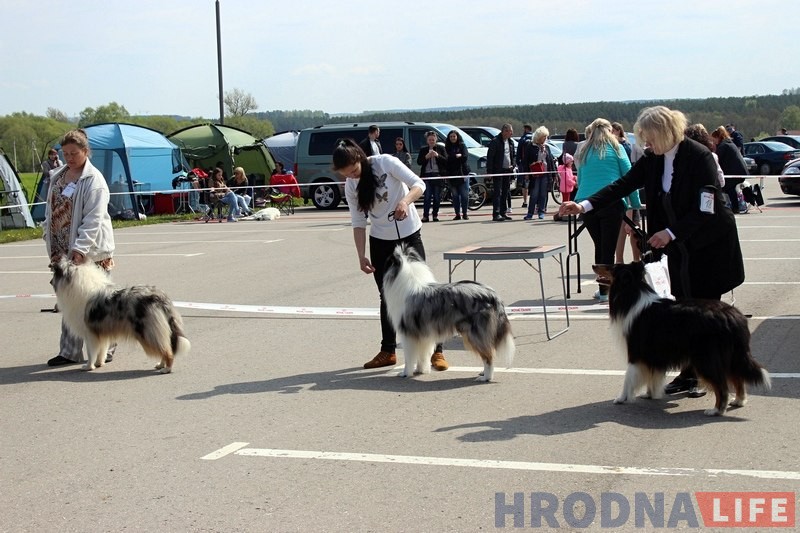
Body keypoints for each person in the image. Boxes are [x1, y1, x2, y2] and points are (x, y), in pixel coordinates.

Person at [560, 106, 745, 397]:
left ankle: (704, 374)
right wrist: (583, 205)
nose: (645, 143)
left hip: (709, 243)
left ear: (665, 132)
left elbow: (706, 208)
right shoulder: (652, 158)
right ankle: (689, 373)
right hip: (679, 245)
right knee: (682, 305)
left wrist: (670, 233)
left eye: (649, 137)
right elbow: (622, 185)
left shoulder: (699, 157)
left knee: (703, 311)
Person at [331, 138, 448, 371]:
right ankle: (388, 351)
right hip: (380, 241)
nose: (352, 176)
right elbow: (357, 221)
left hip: (409, 234)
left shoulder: (385, 162)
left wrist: (405, 201)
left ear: (359, 157)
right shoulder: (352, 186)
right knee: (387, 296)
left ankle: (437, 350)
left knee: (423, 292)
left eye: (354, 170)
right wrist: (361, 255)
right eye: (347, 175)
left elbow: (418, 184)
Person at [44, 129, 116, 367]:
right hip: (62, 250)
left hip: (91, 251)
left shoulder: (94, 181)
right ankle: (69, 351)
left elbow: (93, 219)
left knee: (99, 305)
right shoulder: (58, 175)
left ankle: (106, 347)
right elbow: (51, 209)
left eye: (74, 153)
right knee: (70, 302)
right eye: (65, 153)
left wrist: (81, 248)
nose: (69, 158)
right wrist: (48, 233)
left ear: (86, 151)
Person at [566, 118, 635, 300]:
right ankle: (607, 290)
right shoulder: (617, 148)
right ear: (610, 131)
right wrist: (635, 203)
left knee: (600, 245)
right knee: (608, 248)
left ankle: (603, 289)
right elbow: (629, 177)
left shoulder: (585, 150)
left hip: (586, 202)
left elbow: (581, 179)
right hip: (611, 202)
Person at [711, 126, 748, 213]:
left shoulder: (723, 146)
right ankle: (734, 206)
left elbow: (718, 159)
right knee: (729, 187)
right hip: (740, 171)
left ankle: (735, 207)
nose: (714, 141)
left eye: (714, 139)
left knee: (729, 187)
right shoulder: (728, 143)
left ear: (718, 137)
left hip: (736, 172)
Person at [523, 126, 556, 220]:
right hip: (535, 174)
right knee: (534, 194)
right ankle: (530, 213)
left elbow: (550, 161)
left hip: (545, 173)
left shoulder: (547, 147)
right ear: (538, 136)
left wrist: (554, 174)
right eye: (543, 137)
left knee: (543, 194)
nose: (545, 139)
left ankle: (541, 211)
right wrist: (526, 173)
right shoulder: (530, 146)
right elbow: (525, 160)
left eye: (546, 137)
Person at [486, 123, 515, 221]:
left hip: (508, 171)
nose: (511, 133)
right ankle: (496, 213)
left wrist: (513, 165)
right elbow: (490, 157)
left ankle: (503, 212)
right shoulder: (495, 142)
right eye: (510, 131)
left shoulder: (510, 142)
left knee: (505, 192)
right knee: (498, 192)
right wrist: (489, 171)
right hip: (498, 171)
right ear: (504, 131)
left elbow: (512, 156)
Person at [417, 130, 447, 223]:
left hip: (437, 175)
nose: (431, 141)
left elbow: (446, 161)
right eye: (429, 140)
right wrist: (426, 157)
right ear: (427, 140)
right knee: (427, 196)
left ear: (436, 140)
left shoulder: (441, 148)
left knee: (437, 197)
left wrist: (437, 155)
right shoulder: (423, 149)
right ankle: (425, 216)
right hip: (427, 175)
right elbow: (419, 162)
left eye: (433, 140)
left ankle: (435, 215)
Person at [444, 130, 470, 221]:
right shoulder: (447, 147)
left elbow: (465, 157)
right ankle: (457, 214)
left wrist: (458, 157)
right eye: (451, 137)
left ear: (457, 137)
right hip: (451, 174)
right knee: (455, 196)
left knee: (464, 195)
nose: (452, 138)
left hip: (463, 173)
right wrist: (456, 156)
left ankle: (465, 213)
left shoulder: (462, 146)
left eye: (454, 136)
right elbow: (447, 159)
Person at [516, 124, 533, 208]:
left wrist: (518, 162)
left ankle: (525, 202)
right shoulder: (534, 138)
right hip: (534, 164)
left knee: (525, 183)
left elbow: (519, 151)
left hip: (524, 163)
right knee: (534, 183)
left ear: (526, 129)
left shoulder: (523, 139)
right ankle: (534, 202)